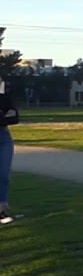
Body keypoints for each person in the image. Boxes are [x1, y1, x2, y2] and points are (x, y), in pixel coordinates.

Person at [0, 84, 18, 224]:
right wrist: (4, 116)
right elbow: (9, 116)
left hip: (4, 138)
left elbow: (15, 117)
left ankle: (2, 208)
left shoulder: (4, 97)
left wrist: (5, 118)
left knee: (4, 175)